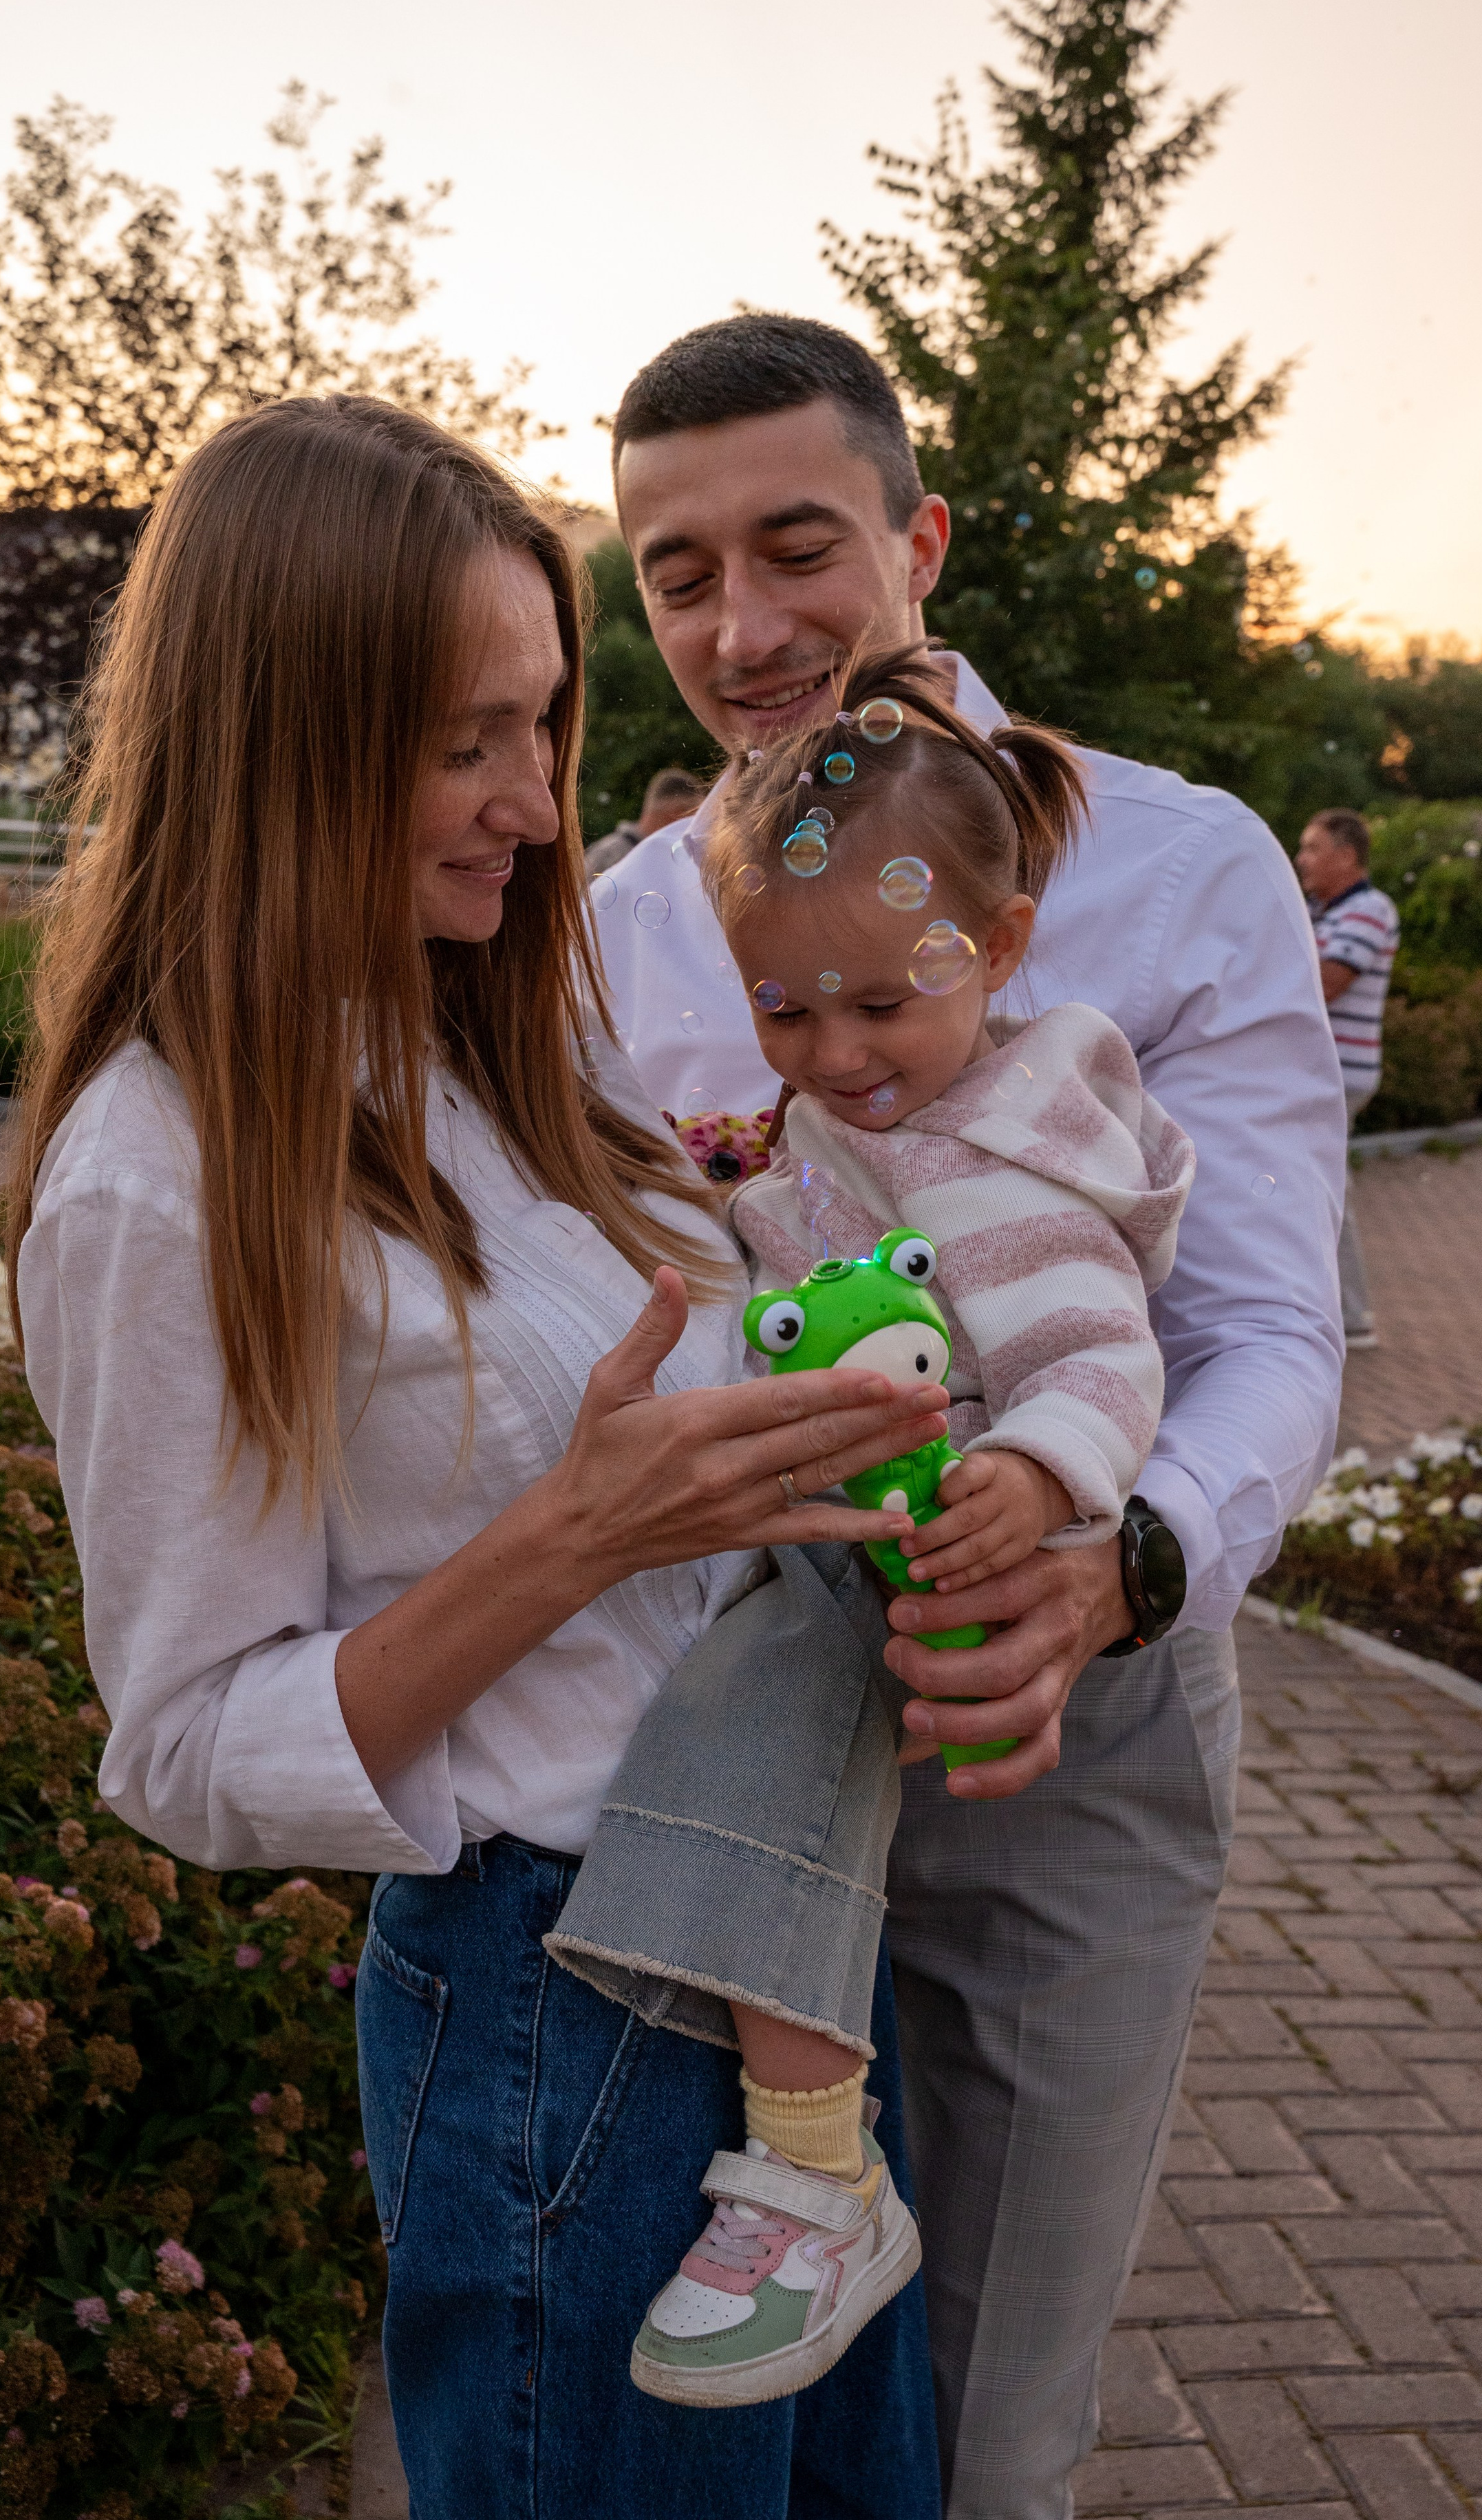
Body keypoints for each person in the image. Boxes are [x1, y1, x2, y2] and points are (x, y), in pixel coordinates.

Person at [3, 394, 951, 2520]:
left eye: (542, 723)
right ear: (282, 734)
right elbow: (182, 1747)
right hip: (565, 2017)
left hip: (786, 1965)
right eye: (461, 740)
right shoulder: (159, 1177)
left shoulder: (506, 1055)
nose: (533, 803)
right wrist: (568, 1537)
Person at [590, 314, 1347, 2519]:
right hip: (728, 1712)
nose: (744, 629)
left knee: (978, 2432)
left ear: (918, 540)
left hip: (1065, 1732)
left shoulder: (1183, 869)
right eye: (676, 572)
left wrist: (1110, 1570)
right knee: (717, 2397)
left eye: (798, 546)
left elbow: (1272, 1331)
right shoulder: (631, 921)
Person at [547, 650, 1194, 2412]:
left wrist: (1046, 1473)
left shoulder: (1002, 1156)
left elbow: (1093, 1349)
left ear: (991, 952)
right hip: (855, 1523)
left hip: (940, 1547)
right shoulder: (853, 1118)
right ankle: (809, 2154)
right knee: (764, 1764)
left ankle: (812, 2169)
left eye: (875, 1007)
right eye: (783, 1009)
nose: (833, 1055)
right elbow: (776, 1271)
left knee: (757, 1739)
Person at [1294, 806, 1400, 1351]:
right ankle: (1340, 1311)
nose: (1301, 858)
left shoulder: (1369, 910)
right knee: (1317, 1186)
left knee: (1324, 1190)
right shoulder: (1320, 911)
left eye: (1313, 848)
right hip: (1321, 1072)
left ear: (1347, 856)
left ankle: (1351, 1315)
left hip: (1337, 1075)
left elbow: (1326, 982)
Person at [584, 762, 707, 873]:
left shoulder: (664, 854)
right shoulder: (610, 856)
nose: (696, 827)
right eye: (692, 818)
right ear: (676, 815)